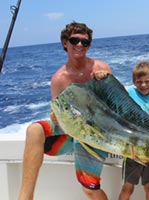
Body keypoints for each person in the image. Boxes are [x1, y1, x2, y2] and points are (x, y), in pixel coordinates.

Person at [18, 21, 112, 200]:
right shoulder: (59, 79)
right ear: (65, 43)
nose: (79, 45)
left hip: (97, 133)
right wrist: (55, 117)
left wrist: (105, 82)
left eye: (84, 42)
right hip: (70, 131)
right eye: (74, 40)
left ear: (89, 45)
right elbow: (58, 115)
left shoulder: (101, 68)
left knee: (90, 189)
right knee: (34, 130)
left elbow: (113, 108)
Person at [118, 61, 149, 200]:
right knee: (128, 186)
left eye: (147, 81)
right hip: (134, 148)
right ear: (134, 81)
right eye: (139, 82)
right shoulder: (130, 93)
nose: (143, 85)